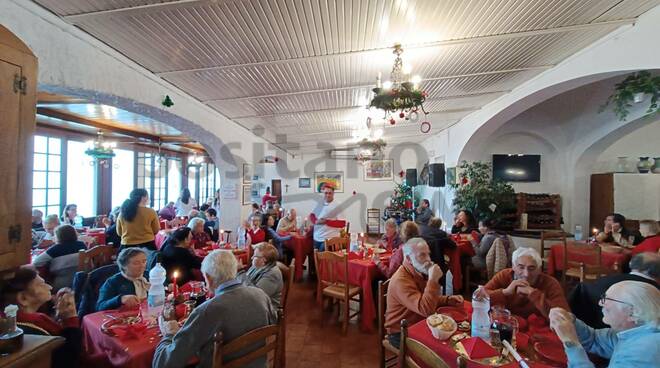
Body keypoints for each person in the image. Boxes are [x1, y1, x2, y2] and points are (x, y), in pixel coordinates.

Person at [153, 250, 277, 368]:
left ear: (208, 277)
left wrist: (170, 332)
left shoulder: (206, 311)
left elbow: (164, 363)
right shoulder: (260, 294)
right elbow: (273, 323)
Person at [550, 281, 660, 368]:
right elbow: (594, 340)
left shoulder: (642, 351)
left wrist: (571, 343)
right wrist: (569, 320)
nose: (600, 303)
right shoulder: (637, 330)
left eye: (607, 299)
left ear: (633, 313)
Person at [384, 238, 464, 348]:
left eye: (428, 254)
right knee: (443, 349)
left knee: (455, 334)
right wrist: (433, 280)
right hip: (400, 332)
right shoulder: (401, 280)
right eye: (422, 255)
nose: (429, 260)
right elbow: (426, 309)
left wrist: (447, 299)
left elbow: (424, 298)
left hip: (418, 323)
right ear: (409, 259)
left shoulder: (418, 271)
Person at [0, 267, 81, 368]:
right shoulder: (31, 331)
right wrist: (70, 318)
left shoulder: (13, 321)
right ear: (23, 298)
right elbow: (67, 359)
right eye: (41, 284)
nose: (50, 287)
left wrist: (60, 317)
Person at [568, 252, 659, 329]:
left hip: (582, 332)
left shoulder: (602, 280)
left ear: (632, 265)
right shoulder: (655, 292)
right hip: (626, 340)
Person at [480, 247, 568, 318]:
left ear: (539, 269)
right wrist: (505, 292)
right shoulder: (505, 275)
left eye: (531, 268)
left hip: (536, 330)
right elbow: (479, 297)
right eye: (521, 267)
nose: (526, 274)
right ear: (513, 267)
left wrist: (533, 293)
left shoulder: (550, 283)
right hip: (506, 324)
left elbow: (564, 317)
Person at [32, 225, 86, 291]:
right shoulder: (82, 244)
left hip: (62, 284)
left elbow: (36, 262)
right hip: (83, 280)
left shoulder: (55, 249)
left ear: (58, 236)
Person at [239, 243, 283, 308]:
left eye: (255, 256)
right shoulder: (257, 266)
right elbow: (247, 282)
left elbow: (256, 296)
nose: (252, 258)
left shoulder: (273, 274)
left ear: (264, 259)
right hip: (252, 301)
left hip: (264, 309)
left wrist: (240, 272)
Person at [312, 185, 341, 251]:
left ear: (333, 193)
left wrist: (326, 221)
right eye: (326, 193)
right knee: (315, 259)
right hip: (316, 237)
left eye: (330, 193)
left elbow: (342, 223)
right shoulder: (319, 203)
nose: (328, 195)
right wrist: (315, 221)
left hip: (329, 239)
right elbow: (312, 215)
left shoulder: (338, 206)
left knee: (324, 260)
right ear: (323, 193)